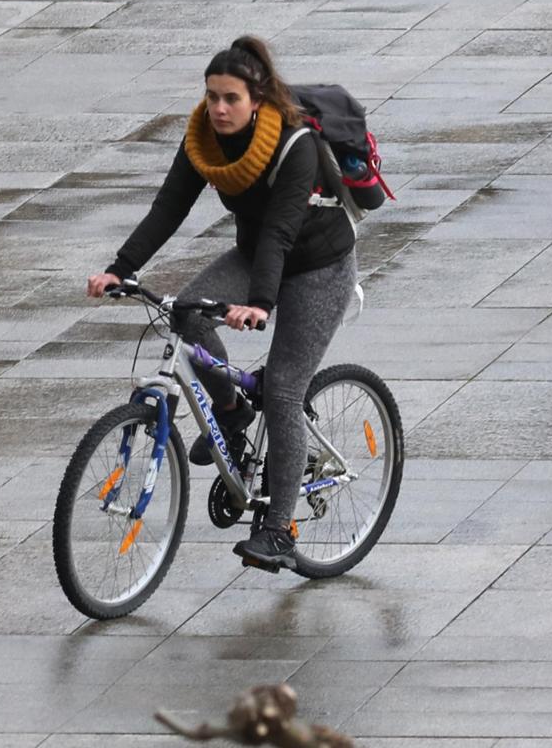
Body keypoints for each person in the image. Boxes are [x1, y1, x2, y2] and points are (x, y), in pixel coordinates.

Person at [85, 37, 357, 572]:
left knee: (283, 391)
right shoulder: (203, 140)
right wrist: (121, 268)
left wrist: (258, 304)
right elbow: (168, 208)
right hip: (256, 255)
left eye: (231, 98)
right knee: (186, 312)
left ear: (258, 101)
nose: (219, 108)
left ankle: (278, 529)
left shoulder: (295, 144)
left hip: (319, 267)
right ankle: (232, 411)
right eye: (212, 96)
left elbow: (280, 231)